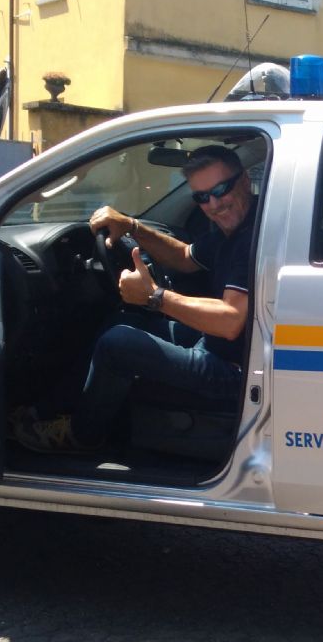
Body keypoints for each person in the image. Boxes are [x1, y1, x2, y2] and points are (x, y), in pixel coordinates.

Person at [15, 145, 257, 453]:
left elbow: (230, 322)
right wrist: (132, 227)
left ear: (245, 180)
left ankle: (82, 434)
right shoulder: (236, 228)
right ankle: (45, 411)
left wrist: (154, 296)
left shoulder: (253, 236)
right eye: (202, 197)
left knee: (117, 343)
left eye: (221, 190)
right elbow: (185, 257)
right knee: (122, 321)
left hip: (237, 372)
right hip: (223, 348)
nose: (214, 204)